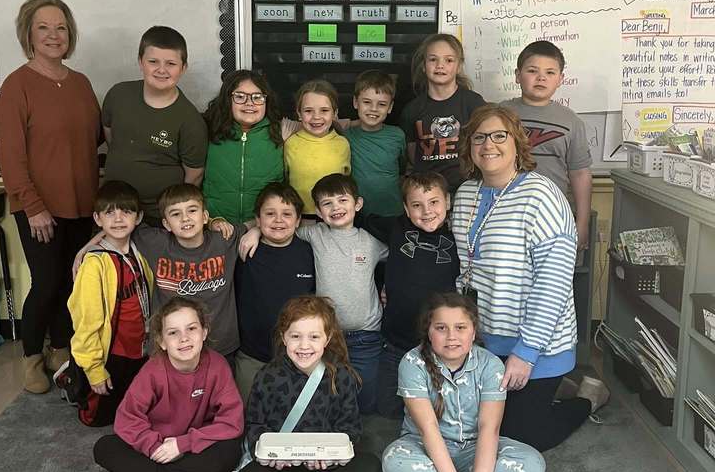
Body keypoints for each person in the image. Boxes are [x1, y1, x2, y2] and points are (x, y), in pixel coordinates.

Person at [451, 104, 608, 453]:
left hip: (539, 342)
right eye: (479, 137)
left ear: (518, 143)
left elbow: (553, 284)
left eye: (498, 136)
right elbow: (466, 273)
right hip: (487, 340)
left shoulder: (541, 195)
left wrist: (526, 352)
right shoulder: (464, 195)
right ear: (469, 146)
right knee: (476, 426)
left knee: (522, 437)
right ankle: (551, 389)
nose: (488, 144)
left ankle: (587, 397)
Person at [0, 0, 101, 394]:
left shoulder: (81, 83)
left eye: (60, 27)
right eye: (44, 27)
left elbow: (93, 140)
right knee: (46, 281)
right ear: (28, 34)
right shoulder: (16, 87)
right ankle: (31, 359)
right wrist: (34, 207)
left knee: (72, 283)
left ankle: (61, 349)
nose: (53, 35)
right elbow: (10, 157)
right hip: (39, 208)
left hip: (83, 203)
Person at [381, 293, 545, 472]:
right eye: (441, 328)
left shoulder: (490, 365)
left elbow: (489, 429)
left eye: (460, 327)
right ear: (428, 331)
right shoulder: (412, 363)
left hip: (474, 448)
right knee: (393, 461)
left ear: (473, 330)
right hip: (424, 447)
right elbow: (429, 431)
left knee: (533, 463)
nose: (451, 337)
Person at [232, 295, 380, 472]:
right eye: (295, 336)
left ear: (328, 338)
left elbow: (350, 429)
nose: (304, 345)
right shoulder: (268, 376)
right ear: (283, 336)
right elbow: (255, 425)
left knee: (370, 467)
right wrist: (271, 456)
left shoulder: (340, 375)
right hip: (281, 470)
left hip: (327, 469)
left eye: (314, 336)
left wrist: (330, 455)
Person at [240, 173, 387, 414]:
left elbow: (397, 260)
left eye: (342, 200)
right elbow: (278, 228)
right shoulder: (313, 235)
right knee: (328, 395)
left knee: (364, 396)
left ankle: (359, 443)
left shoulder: (370, 242)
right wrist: (254, 230)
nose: (336, 208)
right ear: (317, 212)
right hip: (326, 338)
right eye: (327, 203)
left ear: (357, 204)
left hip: (366, 336)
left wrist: (387, 286)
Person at [93, 297, 243, 472]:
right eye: (173, 332)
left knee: (231, 451)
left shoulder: (217, 365)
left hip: (193, 445)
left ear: (204, 332)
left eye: (191, 328)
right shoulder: (152, 371)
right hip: (155, 447)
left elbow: (232, 421)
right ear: (162, 342)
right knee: (105, 447)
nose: (184, 338)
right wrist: (155, 446)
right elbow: (127, 419)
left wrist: (183, 444)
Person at [76, 184, 246, 364]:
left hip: (221, 345)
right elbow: (121, 225)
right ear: (166, 223)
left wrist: (254, 231)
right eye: (175, 214)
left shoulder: (224, 240)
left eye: (192, 210)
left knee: (219, 391)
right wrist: (88, 247)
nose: (185, 218)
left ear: (204, 216)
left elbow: (256, 224)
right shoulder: (155, 242)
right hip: (169, 347)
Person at [362, 173, 460, 420]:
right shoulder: (396, 228)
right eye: (416, 205)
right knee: (387, 407)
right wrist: (256, 230)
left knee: (442, 411)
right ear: (405, 208)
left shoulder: (458, 234)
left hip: (440, 344)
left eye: (434, 202)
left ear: (448, 202)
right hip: (398, 341)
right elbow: (351, 216)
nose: (427, 211)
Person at [64, 180, 153, 427]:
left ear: (139, 217)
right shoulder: (94, 264)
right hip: (110, 353)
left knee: (138, 413)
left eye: (126, 211)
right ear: (97, 218)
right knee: (98, 418)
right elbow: (86, 322)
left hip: (141, 349)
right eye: (109, 212)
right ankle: (73, 376)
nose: (118, 218)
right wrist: (94, 369)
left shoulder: (141, 252)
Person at [102, 25, 208, 224]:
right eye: (153, 62)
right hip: (113, 211)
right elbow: (111, 138)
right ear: (140, 62)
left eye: (170, 63)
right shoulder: (118, 95)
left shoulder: (191, 120)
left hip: (158, 219)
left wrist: (171, 217)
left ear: (183, 68)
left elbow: (193, 176)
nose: (161, 70)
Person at [502, 41, 593, 252]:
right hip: (505, 214)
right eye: (532, 71)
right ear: (517, 75)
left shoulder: (571, 122)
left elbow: (580, 174)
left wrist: (582, 223)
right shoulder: (499, 114)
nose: (541, 77)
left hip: (552, 215)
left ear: (561, 79)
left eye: (550, 72)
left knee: (549, 280)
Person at [233, 182, 315, 401]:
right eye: (270, 214)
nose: (279, 220)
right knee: (251, 417)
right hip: (252, 355)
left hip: (300, 356)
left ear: (298, 220)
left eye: (287, 214)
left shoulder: (309, 252)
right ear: (258, 219)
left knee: (294, 420)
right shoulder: (245, 250)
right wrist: (253, 231)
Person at [399, 33, 485, 194]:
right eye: (433, 59)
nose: (440, 65)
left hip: (468, 190)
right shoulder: (412, 110)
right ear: (424, 65)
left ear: (459, 66)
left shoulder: (473, 103)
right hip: (428, 194)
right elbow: (412, 154)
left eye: (449, 60)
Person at [202, 69, 284, 224]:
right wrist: (211, 221)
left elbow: (318, 122)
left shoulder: (281, 131)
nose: (249, 103)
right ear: (228, 100)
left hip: (263, 229)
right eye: (240, 96)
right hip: (215, 226)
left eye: (257, 97)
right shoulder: (208, 129)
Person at [344, 69, 406, 217]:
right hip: (357, 215)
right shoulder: (344, 137)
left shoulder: (397, 135)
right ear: (355, 102)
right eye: (366, 102)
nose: (373, 109)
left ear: (390, 107)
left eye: (382, 104)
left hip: (393, 213)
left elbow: (403, 169)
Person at [283, 79, 351, 214]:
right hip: (300, 219)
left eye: (324, 110)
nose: (316, 117)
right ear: (299, 114)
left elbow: (347, 184)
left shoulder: (342, 144)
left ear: (335, 113)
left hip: (334, 218)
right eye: (308, 111)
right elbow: (284, 181)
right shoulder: (290, 144)